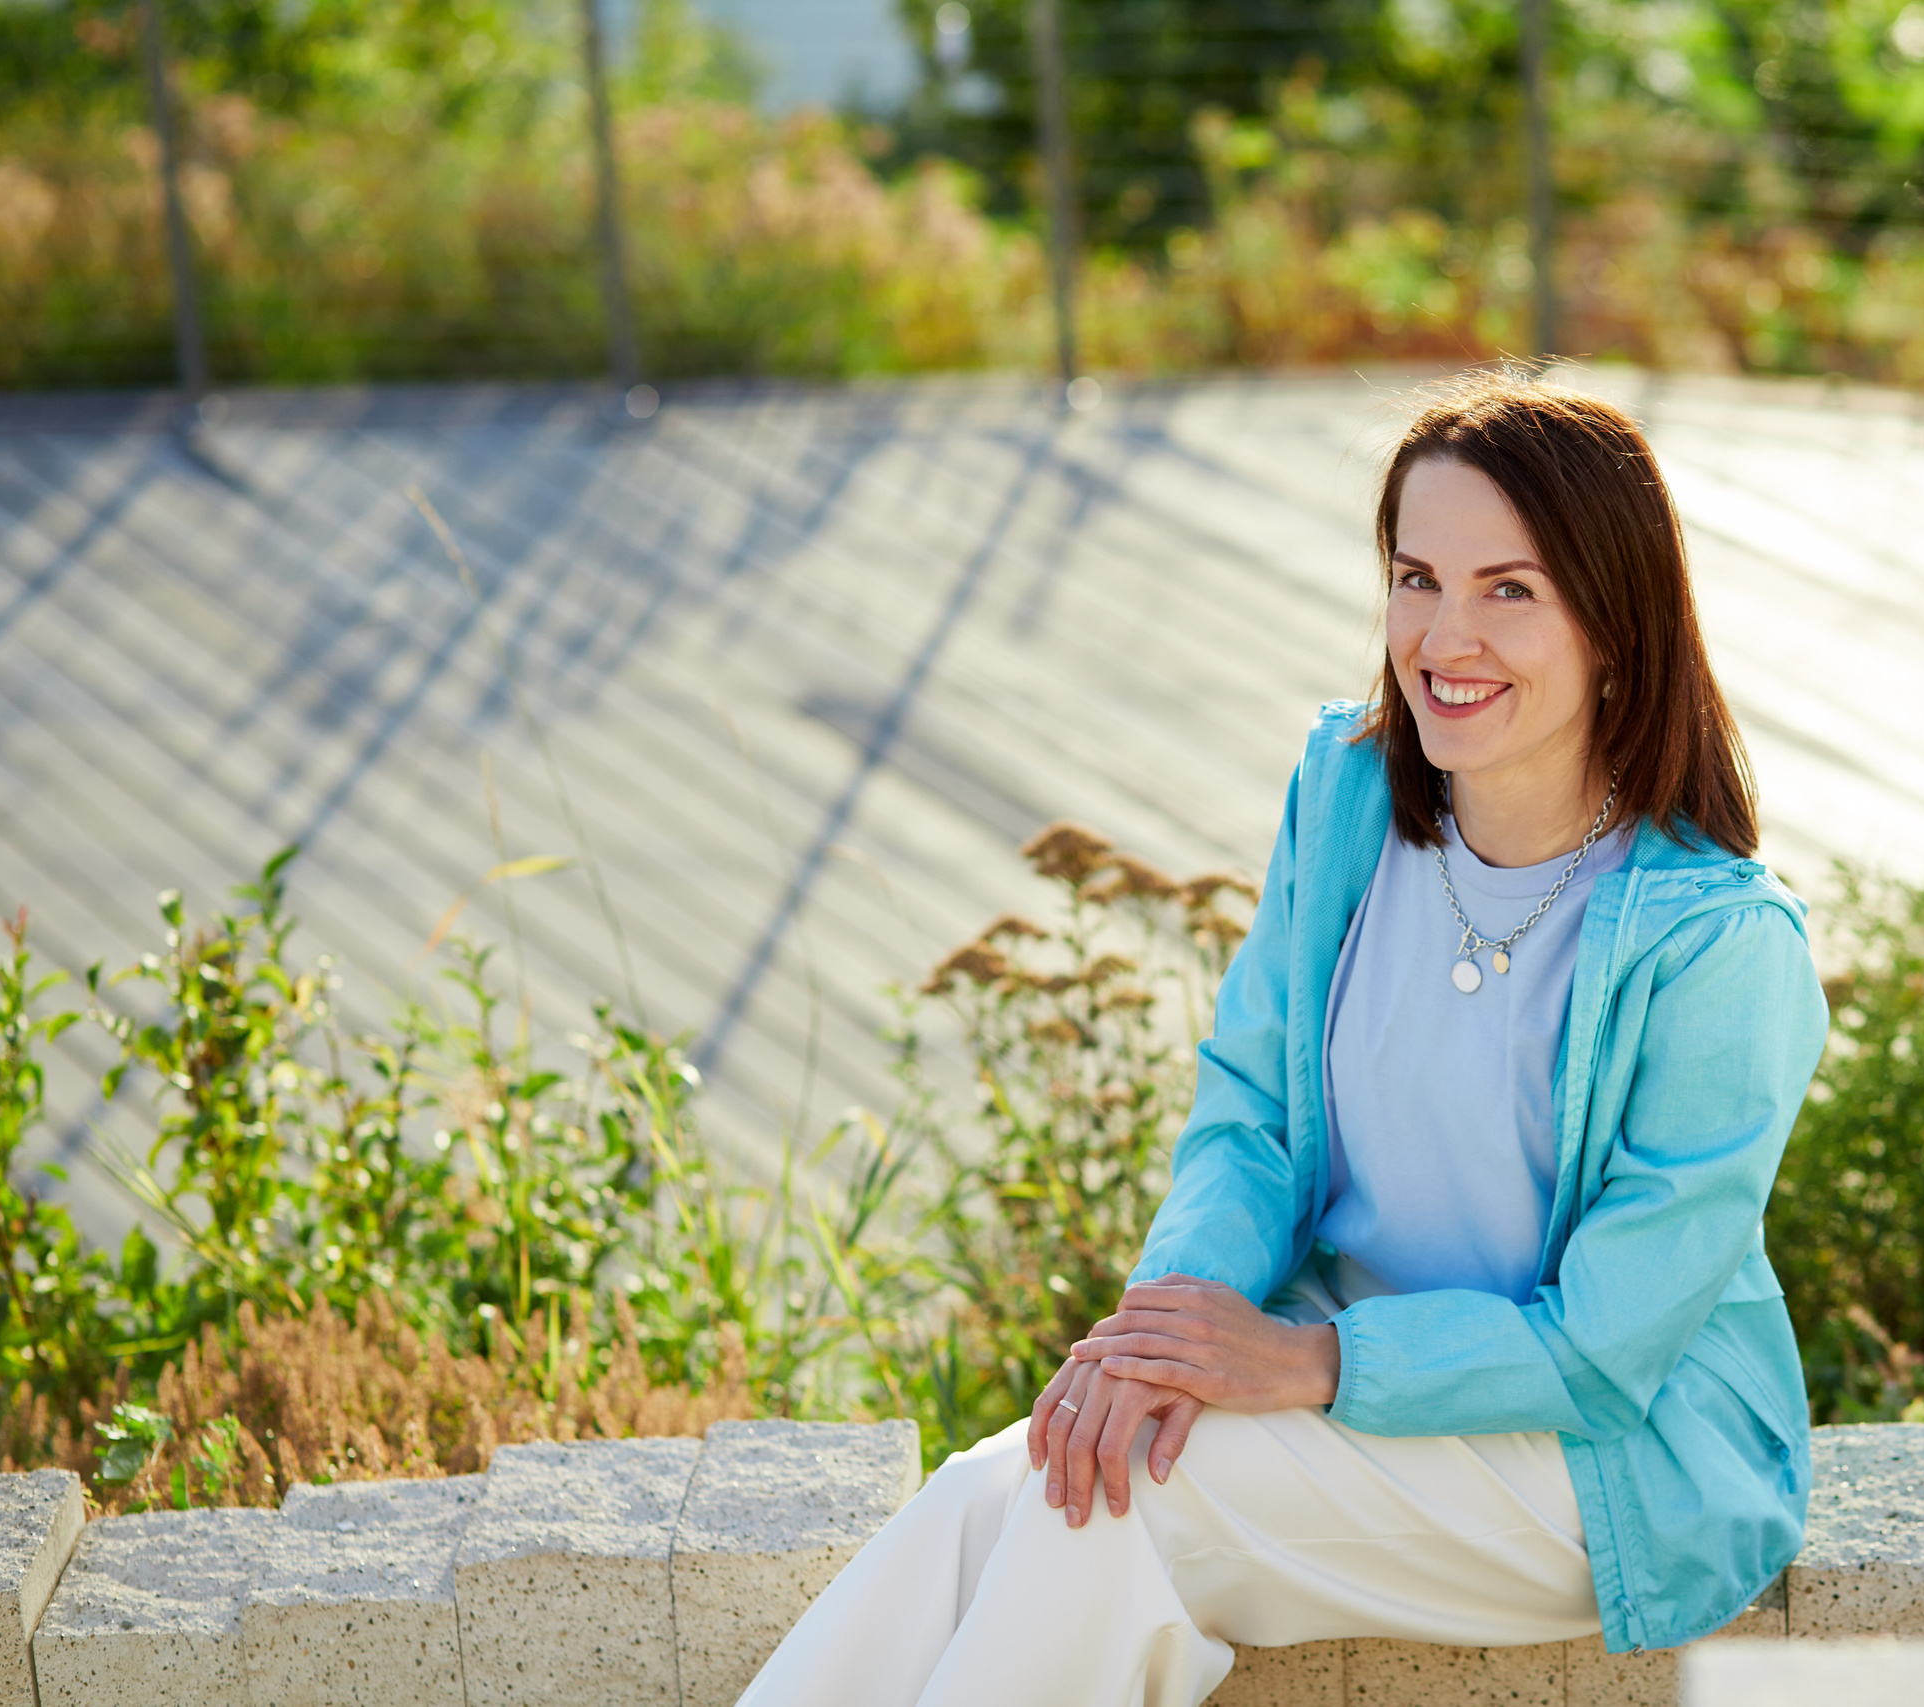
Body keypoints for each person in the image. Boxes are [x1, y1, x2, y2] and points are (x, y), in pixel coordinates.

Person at [737, 371, 1830, 1707]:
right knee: (1011, 1481)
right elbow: (1251, 1111)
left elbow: (1606, 1350)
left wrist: (1308, 1362)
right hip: (1341, 1372)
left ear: (1615, 627)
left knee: (1115, 1506)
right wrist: (1169, 1328)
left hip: (1603, 1455)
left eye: (1510, 590)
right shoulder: (1350, 794)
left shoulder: (1718, 945)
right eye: (1415, 577)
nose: (1444, 635)